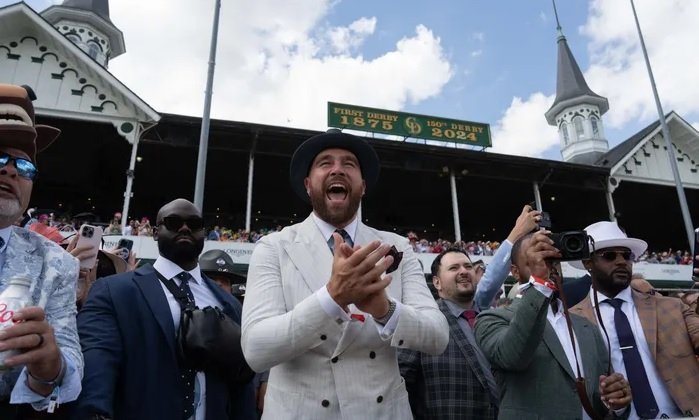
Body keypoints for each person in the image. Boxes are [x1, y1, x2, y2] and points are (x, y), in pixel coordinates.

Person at [241, 129, 449, 419]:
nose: (337, 169)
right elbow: (256, 349)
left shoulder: (398, 246)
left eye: (349, 164)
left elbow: (438, 337)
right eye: (325, 163)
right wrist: (332, 298)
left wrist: (384, 310)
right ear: (308, 185)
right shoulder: (273, 247)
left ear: (362, 186)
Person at [76, 198, 255, 419]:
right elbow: (97, 366)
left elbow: (240, 385)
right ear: (154, 232)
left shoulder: (228, 304)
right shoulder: (114, 292)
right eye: (172, 222)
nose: (185, 228)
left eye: (195, 224)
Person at [397, 205, 540, 419]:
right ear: (436, 282)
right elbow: (402, 386)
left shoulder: (489, 316)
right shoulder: (422, 321)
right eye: (454, 268)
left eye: (467, 266)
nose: (464, 271)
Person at [475, 230, 632, 419]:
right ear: (515, 272)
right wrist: (539, 281)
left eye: (553, 260)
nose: (548, 267)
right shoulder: (491, 319)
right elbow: (513, 356)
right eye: (536, 260)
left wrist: (616, 404)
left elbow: (599, 398)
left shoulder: (586, 326)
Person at [0, 84, 83, 417]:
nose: (10, 171)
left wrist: (47, 368)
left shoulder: (57, 263)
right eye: (0, 158)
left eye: (25, 167)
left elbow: (69, 362)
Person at [570, 221, 699, 418]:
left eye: (627, 255)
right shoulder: (571, 322)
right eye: (610, 255)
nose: (621, 261)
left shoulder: (672, 307)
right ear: (588, 263)